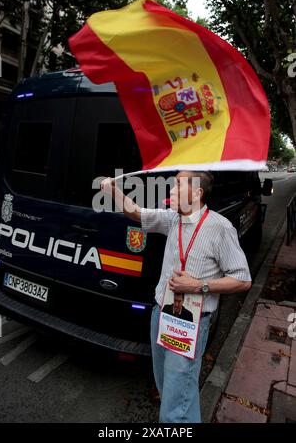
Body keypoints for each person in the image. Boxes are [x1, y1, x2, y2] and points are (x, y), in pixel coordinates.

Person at [100, 171, 252, 423]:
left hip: (190, 322)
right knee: (167, 386)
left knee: (176, 399)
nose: (170, 190)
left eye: (177, 185)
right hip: (161, 314)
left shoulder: (220, 227)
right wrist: (113, 190)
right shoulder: (172, 219)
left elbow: (243, 280)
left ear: (197, 193)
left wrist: (198, 285)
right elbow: (136, 213)